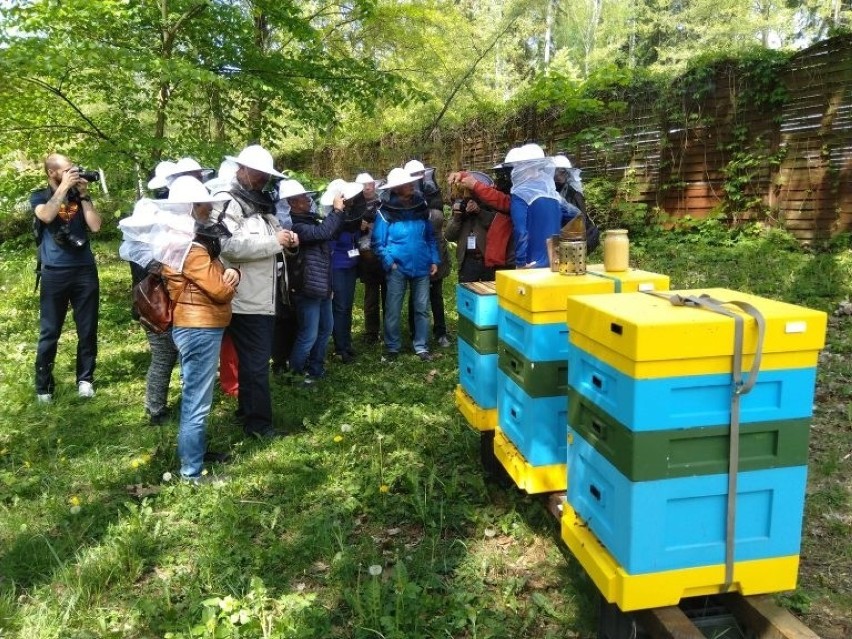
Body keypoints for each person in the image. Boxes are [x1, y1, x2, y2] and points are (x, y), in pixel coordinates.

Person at [214, 145, 298, 439]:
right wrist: (276, 242)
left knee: (252, 362)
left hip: (264, 296)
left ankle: (248, 413)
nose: (263, 179)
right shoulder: (226, 202)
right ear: (242, 170)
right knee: (257, 364)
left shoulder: (261, 205)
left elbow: (273, 242)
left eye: (266, 175)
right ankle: (259, 425)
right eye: (258, 173)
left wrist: (289, 240)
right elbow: (228, 246)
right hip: (245, 298)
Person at [161, 177, 240, 482]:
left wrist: (229, 272)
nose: (210, 208)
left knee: (196, 395)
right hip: (200, 326)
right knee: (196, 400)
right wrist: (232, 277)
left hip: (195, 324)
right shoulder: (189, 249)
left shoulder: (177, 242)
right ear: (192, 207)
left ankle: (195, 454)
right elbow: (219, 290)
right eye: (205, 203)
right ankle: (191, 473)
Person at [31, 154, 102, 402]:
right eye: (68, 170)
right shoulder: (39, 196)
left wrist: (84, 196)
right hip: (54, 271)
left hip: (84, 269)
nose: (74, 173)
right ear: (53, 173)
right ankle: (43, 387)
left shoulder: (78, 196)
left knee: (87, 328)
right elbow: (46, 216)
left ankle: (85, 380)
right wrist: (62, 188)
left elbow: (95, 226)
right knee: (50, 331)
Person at [119, 160, 180, 424]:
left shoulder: (138, 245)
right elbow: (163, 269)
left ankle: (157, 405)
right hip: (154, 306)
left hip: (157, 303)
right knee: (164, 356)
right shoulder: (140, 249)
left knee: (169, 355)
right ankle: (155, 409)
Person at [288, 180, 354, 381]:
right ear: (292, 203)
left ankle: (315, 369)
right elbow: (323, 233)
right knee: (309, 334)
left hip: (322, 285)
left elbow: (330, 230)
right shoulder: (297, 226)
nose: (308, 200)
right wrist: (336, 211)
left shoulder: (310, 220)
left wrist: (341, 213)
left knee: (326, 328)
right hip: (307, 288)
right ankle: (297, 374)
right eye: (302, 197)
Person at [372, 168, 439, 361]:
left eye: (411, 182)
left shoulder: (421, 205)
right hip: (398, 268)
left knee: (421, 308)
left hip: (422, 265)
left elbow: (430, 236)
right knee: (393, 309)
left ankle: (421, 346)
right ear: (397, 188)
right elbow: (378, 242)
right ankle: (392, 347)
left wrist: (433, 259)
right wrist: (390, 263)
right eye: (407, 183)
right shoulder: (385, 212)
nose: (411, 185)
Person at [404, 160, 452, 349]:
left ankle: (440, 332)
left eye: (420, 174)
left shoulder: (433, 192)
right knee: (414, 294)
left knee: (436, 293)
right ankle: (415, 331)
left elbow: (437, 219)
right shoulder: (402, 197)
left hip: (435, 250)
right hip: (414, 252)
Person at [508, 143, 562, 268]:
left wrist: (520, 262)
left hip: (531, 263)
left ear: (523, 168)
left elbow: (521, 231)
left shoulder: (520, 195)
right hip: (556, 261)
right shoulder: (554, 194)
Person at [330, 181, 365, 363]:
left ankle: (346, 343)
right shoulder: (334, 218)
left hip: (351, 265)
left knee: (348, 306)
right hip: (337, 267)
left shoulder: (352, 217)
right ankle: (340, 348)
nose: (351, 201)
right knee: (340, 307)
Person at [445, 171, 498, 282]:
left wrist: (479, 211)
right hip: (467, 261)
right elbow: (449, 236)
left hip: (487, 260)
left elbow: (495, 225)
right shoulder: (460, 207)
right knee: (468, 296)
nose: (467, 196)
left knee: (488, 295)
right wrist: (457, 217)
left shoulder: (489, 206)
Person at [354, 172, 386, 345]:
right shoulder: (354, 206)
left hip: (385, 252)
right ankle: (371, 332)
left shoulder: (384, 203)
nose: (367, 187)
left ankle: (389, 329)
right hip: (366, 255)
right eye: (364, 185)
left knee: (389, 294)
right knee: (371, 296)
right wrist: (358, 226)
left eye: (370, 184)